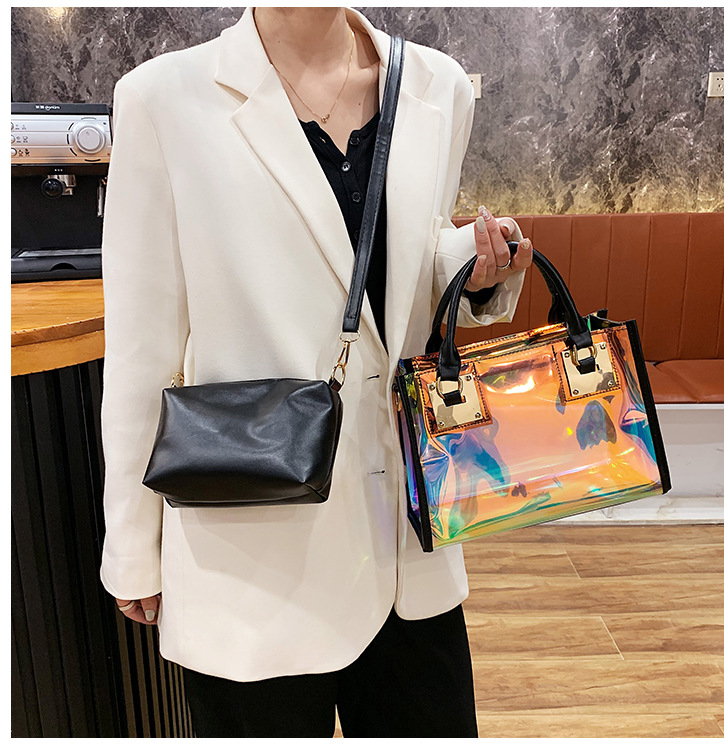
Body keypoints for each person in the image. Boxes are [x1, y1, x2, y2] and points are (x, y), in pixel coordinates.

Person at [99, 5, 534, 738]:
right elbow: (144, 345)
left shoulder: (436, 85)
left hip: (406, 544)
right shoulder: (163, 99)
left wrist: (474, 268)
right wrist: (135, 548)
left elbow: (394, 274)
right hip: (252, 555)